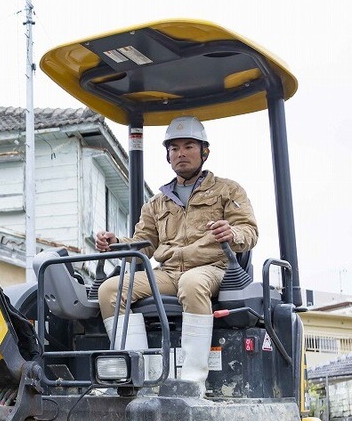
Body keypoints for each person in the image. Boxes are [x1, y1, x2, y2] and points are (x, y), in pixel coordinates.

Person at [94, 115, 257, 392]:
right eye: (174, 148)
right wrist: (115, 242)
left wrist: (233, 233)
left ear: (204, 152)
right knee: (111, 288)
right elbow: (143, 243)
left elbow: (249, 231)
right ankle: (137, 378)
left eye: (189, 146)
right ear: (168, 155)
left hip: (213, 267)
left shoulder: (227, 190)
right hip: (169, 272)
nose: (181, 153)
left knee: (191, 283)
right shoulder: (157, 203)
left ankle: (192, 382)